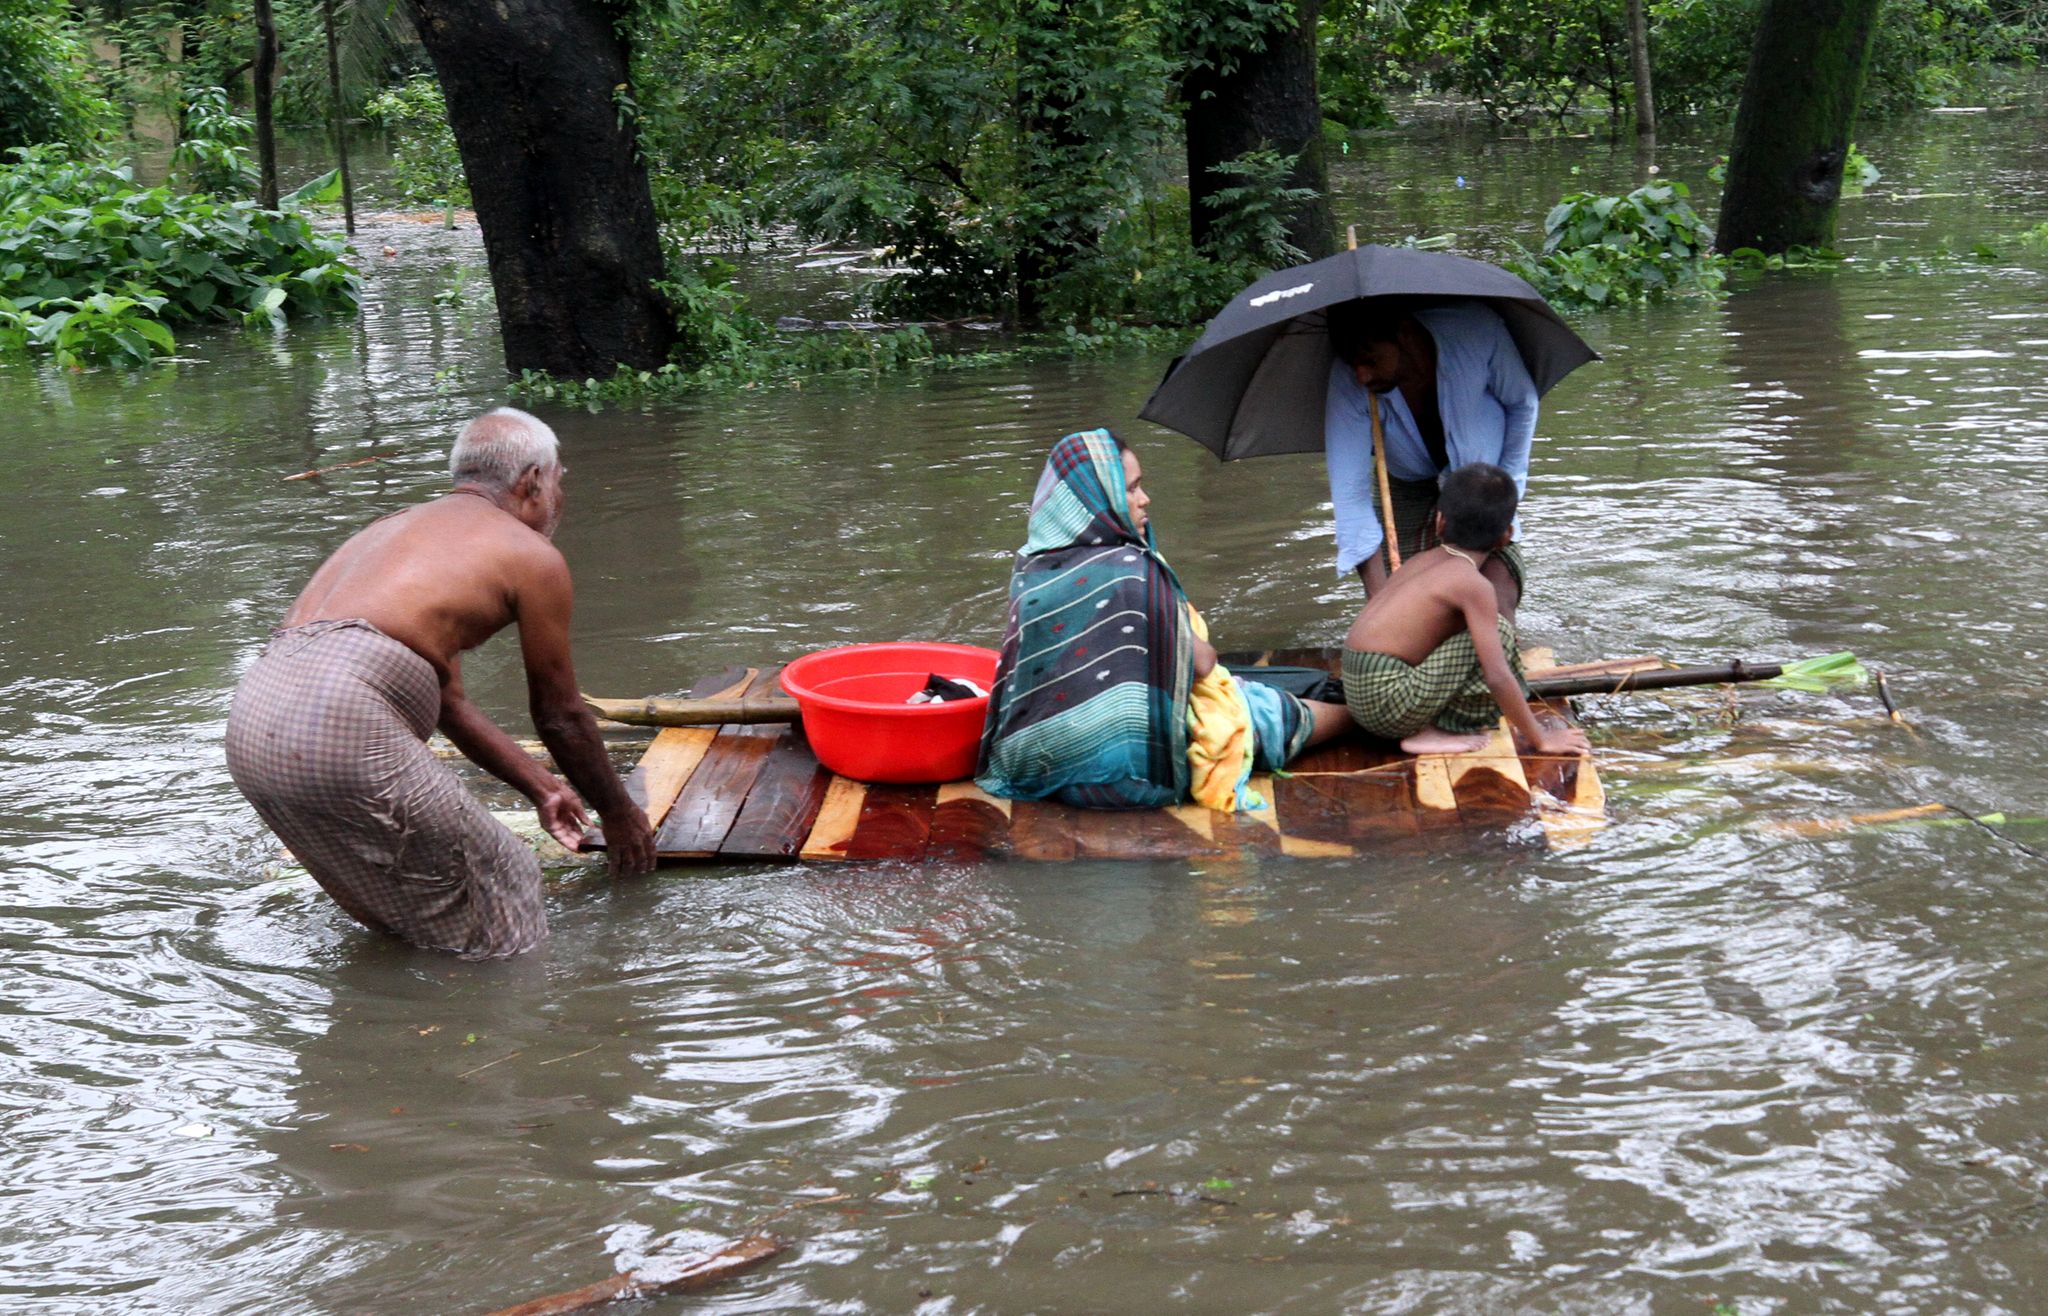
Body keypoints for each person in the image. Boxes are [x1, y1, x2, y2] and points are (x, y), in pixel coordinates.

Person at [225, 407, 656, 959]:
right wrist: (619, 816)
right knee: (505, 874)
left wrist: (544, 788)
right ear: (532, 481)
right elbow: (560, 716)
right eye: (559, 483)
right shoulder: (531, 554)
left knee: (403, 914)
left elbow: (449, 705)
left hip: (253, 721)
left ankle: (411, 1009)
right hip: (338, 717)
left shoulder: (390, 530)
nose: (560, 499)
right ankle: (532, 1012)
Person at [976, 429, 1351, 811]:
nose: (1144, 499)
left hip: (1038, 772)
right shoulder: (1131, 571)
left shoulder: (1031, 568)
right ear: (1098, 499)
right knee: (1258, 709)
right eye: (1131, 489)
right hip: (1133, 779)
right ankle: (1359, 718)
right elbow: (1202, 664)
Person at [1342, 463, 1591, 759]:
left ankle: (1419, 724)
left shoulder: (1420, 561)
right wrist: (1541, 738)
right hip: (1385, 707)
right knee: (1499, 632)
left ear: (1440, 522)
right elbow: (1497, 676)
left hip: (1357, 690)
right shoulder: (1473, 584)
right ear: (1506, 535)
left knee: (1475, 632)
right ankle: (1425, 731)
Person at [1324, 297, 1537, 617]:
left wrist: (1508, 492)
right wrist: (1380, 608)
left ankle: (1501, 634)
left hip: (1481, 482)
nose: (1362, 376)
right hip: (1405, 487)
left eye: (1369, 359)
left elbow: (1523, 403)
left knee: (1494, 601)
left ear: (1404, 334)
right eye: (1352, 363)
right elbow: (1350, 495)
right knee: (1410, 612)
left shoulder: (1475, 331)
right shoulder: (1349, 381)